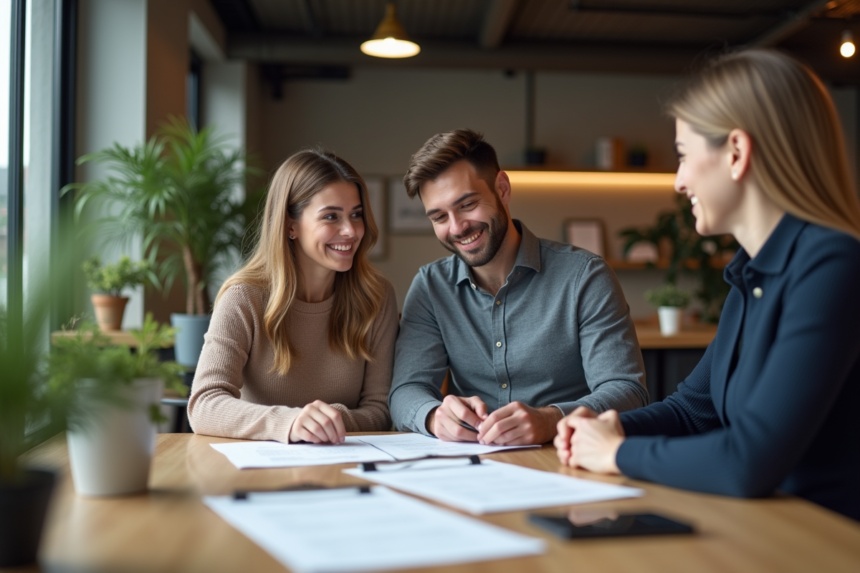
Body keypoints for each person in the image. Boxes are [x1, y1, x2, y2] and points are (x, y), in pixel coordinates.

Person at [555, 49, 860, 521]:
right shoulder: (750, 273)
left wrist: (615, 453)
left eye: (683, 155)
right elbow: (692, 412)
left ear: (736, 152)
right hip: (764, 532)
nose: (678, 182)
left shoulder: (835, 265)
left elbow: (749, 460)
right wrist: (600, 427)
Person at [389, 129, 648, 446]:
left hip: (569, 458)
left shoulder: (585, 276)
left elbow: (628, 392)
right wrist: (433, 415)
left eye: (467, 204)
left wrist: (551, 420)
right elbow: (405, 391)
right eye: (439, 216)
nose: (456, 227)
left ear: (502, 188)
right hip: (470, 466)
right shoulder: (430, 287)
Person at [188, 149, 398, 444]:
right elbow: (204, 404)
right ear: (290, 225)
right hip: (259, 470)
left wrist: (328, 421)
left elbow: (381, 410)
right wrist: (290, 423)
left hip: (345, 465)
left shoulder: (376, 297)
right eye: (331, 216)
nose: (350, 230)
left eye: (356, 215)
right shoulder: (243, 297)